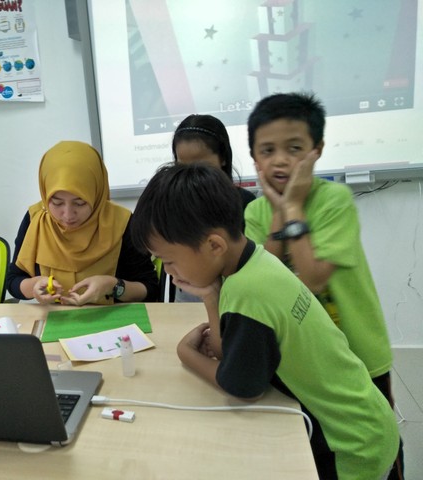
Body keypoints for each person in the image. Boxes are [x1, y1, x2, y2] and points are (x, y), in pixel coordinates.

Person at [130, 162, 400, 479]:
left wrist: (185, 353)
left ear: (214, 245)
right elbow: (229, 354)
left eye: (169, 261)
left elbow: (243, 387)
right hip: (367, 418)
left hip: (351, 447)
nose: (169, 271)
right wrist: (211, 296)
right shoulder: (255, 263)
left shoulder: (247, 293)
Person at [244, 91, 403, 479]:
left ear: (317, 150)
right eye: (268, 150)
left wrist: (292, 206)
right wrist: (279, 211)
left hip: (359, 352)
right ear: (254, 158)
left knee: (376, 442)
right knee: (321, 446)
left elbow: (313, 278)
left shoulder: (335, 201)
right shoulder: (254, 212)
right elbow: (266, 273)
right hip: (308, 359)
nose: (280, 160)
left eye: (294, 148)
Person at [5, 140, 159, 306]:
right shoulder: (35, 219)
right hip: (53, 317)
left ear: (96, 194)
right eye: (57, 203)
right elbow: (14, 279)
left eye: (80, 203)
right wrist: (33, 286)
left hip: (110, 317)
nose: (68, 214)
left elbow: (150, 288)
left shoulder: (122, 222)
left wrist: (113, 286)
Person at [171, 114, 256, 302]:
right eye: (182, 166)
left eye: (201, 166)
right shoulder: (173, 205)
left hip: (236, 300)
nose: (191, 176)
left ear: (223, 158)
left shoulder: (245, 203)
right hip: (187, 303)